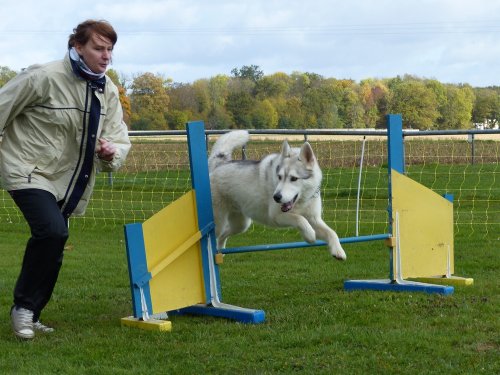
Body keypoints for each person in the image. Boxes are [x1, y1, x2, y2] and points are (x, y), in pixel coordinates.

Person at [0, 19, 131, 339]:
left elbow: (120, 143)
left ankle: (31, 312)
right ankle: (24, 310)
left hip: (71, 181)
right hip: (26, 169)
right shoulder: (43, 77)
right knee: (52, 231)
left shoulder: (108, 91)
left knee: (55, 242)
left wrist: (109, 152)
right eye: (98, 48)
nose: (106, 56)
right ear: (77, 46)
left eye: (110, 49)